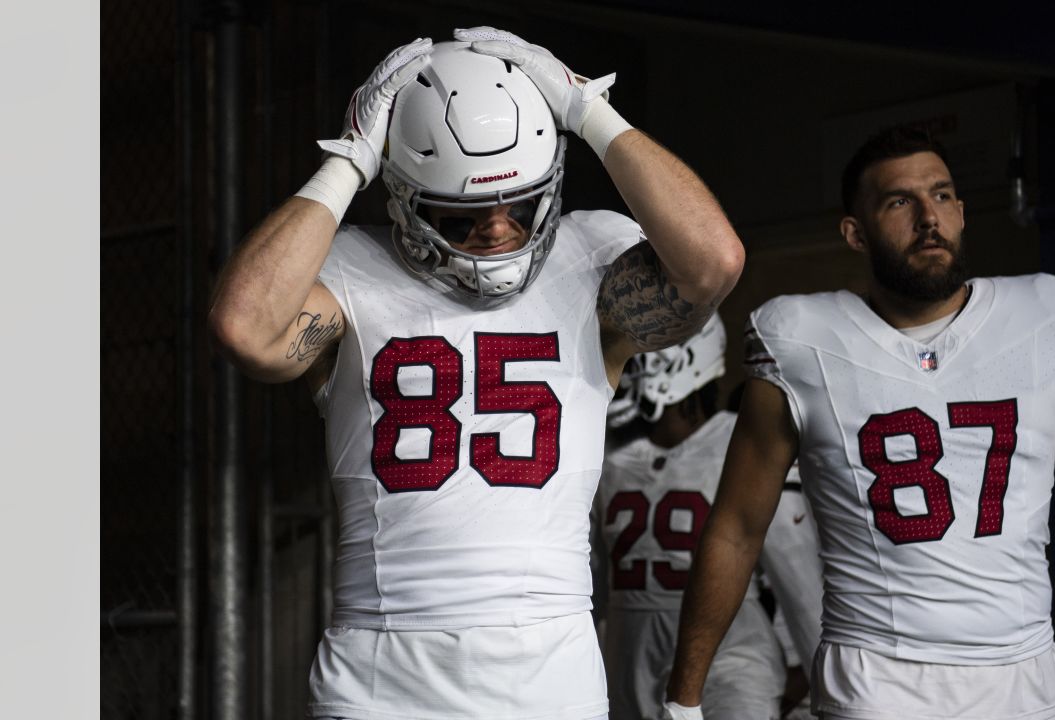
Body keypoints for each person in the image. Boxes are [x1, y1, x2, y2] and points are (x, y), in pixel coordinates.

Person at [208, 27, 744, 720]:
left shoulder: (588, 262)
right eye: (462, 216)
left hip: (549, 675)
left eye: (519, 206)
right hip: (380, 677)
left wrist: (588, 110)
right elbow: (243, 329)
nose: (496, 230)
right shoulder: (348, 270)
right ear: (402, 196)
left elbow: (714, 263)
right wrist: (347, 163)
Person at [661, 126, 1055, 720]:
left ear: (962, 211)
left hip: (1023, 680)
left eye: (941, 195)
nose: (928, 218)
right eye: (900, 202)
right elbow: (736, 530)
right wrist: (684, 699)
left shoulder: (1045, 317)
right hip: (874, 682)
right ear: (855, 233)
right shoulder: (801, 340)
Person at [593, 314, 820, 720]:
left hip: (728, 656)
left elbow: (793, 565)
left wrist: (810, 666)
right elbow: (594, 583)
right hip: (628, 657)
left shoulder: (738, 437)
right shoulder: (611, 455)